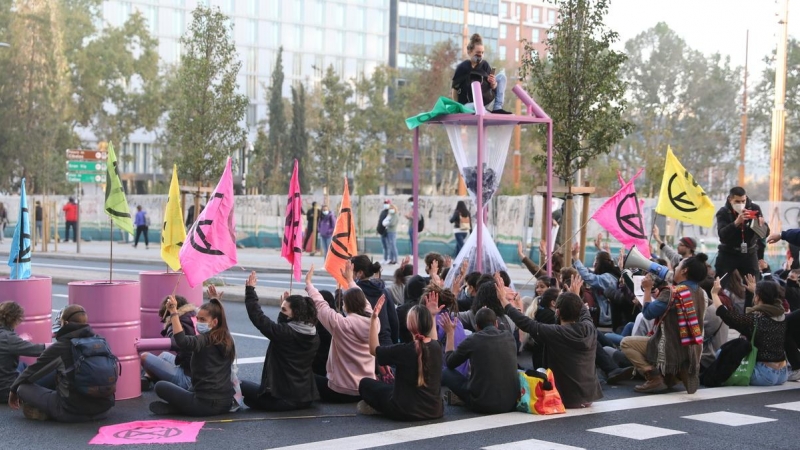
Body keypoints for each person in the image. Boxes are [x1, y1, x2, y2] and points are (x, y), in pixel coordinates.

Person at [503, 275, 603, 409]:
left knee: (536, 371)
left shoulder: (557, 332)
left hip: (565, 398)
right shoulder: (589, 327)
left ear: (557, 311)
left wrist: (505, 303)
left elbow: (527, 323)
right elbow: (584, 313)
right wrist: (576, 296)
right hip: (589, 397)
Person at [9, 305, 115, 422]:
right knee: (59, 370)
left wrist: (13, 390)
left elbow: (32, 372)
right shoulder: (101, 342)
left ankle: (49, 412)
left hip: (70, 411)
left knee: (23, 388)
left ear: (65, 322)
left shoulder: (61, 346)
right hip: (103, 410)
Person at [621, 254, 709, 394]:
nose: (675, 268)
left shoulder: (671, 293)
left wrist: (648, 290)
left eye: (679, 266)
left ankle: (654, 376)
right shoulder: (702, 293)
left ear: (684, 271)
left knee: (626, 343)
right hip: (692, 349)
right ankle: (675, 374)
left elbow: (648, 313)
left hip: (669, 347)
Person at [149, 290, 236, 416]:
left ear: (214, 322)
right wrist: (214, 301)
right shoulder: (227, 337)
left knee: (160, 386)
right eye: (198, 319)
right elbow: (218, 316)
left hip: (205, 404)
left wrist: (173, 312)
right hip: (226, 402)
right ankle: (180, 407)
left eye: (203, 319)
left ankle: (178, 408)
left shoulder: (205, 339)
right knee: (190, 389)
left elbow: (182, 341)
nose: (199, 322)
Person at [242, 271, 319, 411]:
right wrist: (285, 312)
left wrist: (250, 292)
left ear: (294, 314)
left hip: (286, 399)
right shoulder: (313, 333)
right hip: (306, 397)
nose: (281, 312)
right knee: (250, 400)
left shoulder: (286, 333)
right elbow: (283, 332)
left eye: (284, 309)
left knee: (239, 385)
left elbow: (259, 319)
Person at [357, 297, 443, 420]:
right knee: (391, 387)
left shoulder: (403, 350)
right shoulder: (437, 347)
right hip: (435, 410)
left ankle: (376, 407)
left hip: (404, 410)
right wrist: (432, 316)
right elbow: (433, 339)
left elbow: (373, 349)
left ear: (409, 325)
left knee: (365, 383)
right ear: (428, 324)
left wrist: (374, 319)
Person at [307, 263, 376, 403]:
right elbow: (364, 302)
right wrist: (350, 280)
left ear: (347, 305)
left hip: (341, 390)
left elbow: (321, 305)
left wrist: (309, 284)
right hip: (366, 389)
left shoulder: (341, 325)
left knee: (303, 375)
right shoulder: (374, 321)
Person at [711, 278, 789, 386]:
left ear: (758, 296)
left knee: (721, 352)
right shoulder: (781, 314)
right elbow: (766, 304)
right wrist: (755, 291)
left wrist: (714, 294)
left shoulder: (755, 319)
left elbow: (728, 316)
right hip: (783, 374)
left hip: (763, 375)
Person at [439, 308, 518, 413]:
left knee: (445, 372)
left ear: (477, 327)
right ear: (496, 323)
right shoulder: (509, 337)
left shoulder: (473, 340)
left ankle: (463, 399)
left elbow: (449, 362)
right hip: (510, 403)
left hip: (482, 403)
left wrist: (450, 333)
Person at [140, 296, 197, 391]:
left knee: (144, 357)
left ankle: (150, 379)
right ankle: (147, 378)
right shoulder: (193, 318)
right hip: (196, 371)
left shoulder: (176, 324)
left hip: (188, 379)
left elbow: (177, 342)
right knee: (164, 355)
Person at [715, 186, 768, 282]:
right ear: (730, 199)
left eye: (743, 201)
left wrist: (761, 224)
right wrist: (736, 223)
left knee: (753, 285)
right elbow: (722, 235)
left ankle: (752, 297)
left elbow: (764, 234)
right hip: (728, 252)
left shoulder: (754, 208)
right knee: (720, 283)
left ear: (746, 198)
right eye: (737, 202)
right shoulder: (723, 212)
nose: (741, 204)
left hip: (749, 253)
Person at [451, 33, 509, 114]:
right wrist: (458, 108)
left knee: (502, 76)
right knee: (477, 106)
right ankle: (486, 113)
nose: (480, 55)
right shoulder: (463, 67)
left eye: (482, 53)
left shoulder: (484, 65)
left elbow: (494, 87)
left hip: (486, 102)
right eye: (478, 53)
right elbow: (454, 89)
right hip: (470, 105)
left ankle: (497, 108)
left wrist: (493, 83)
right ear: (469, 51)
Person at [0, 302, 46, 403]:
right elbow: (38, 350)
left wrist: (20, 340)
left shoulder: (6, 336)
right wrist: (60, 344)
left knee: (23, 365)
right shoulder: (9, 339)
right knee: (50, 374)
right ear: (16, 319)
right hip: (5, 390)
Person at [351, 255, 399, 346]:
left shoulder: (356, 294)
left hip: (365, 345)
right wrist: (394, 343)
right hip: (386, 342)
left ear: (360, 273)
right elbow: (394, 320)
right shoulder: (384, 291)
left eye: (351, 270)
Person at [571, 244, 620, 328]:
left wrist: (575, 257)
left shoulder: (607, 279)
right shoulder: (607, 275)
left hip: (607, 320)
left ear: (599, 263)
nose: (593, 264)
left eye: (595, 261)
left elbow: (587, 276)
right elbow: (588, 272)